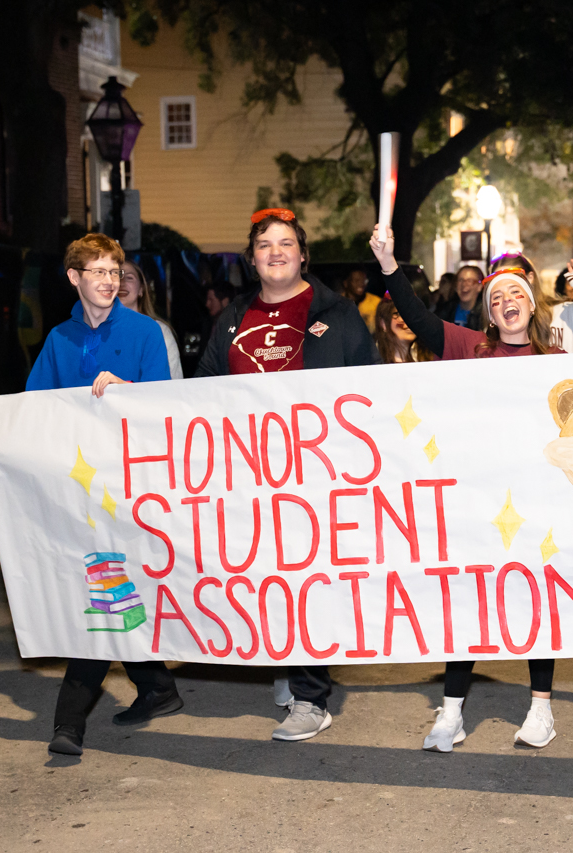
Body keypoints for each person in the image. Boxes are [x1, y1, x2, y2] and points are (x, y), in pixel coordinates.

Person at [370, 224, 573, 751]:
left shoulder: (557, 364)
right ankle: (451, 713)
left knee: (536, 598)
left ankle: (541, 709)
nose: (508, 300)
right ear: (490, 313)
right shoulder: (469, 348)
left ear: (530, 305)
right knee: (467, 601)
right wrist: (387, 263)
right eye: (498, 297)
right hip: (477, 502)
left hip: (537, 505)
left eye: (517, 292)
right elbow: (418, 316)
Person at [0, 233, 180, 758]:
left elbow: (170, 409)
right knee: (107, 585)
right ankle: (157, 687)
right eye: (99, 272)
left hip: (130, 492)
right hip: (80, 495)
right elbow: (34, 412)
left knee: (102, 590)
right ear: (74, 279)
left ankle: (68, 723)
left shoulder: (147, 333)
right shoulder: (59, 339)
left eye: (115, 271)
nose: (110, 281)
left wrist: (129, 391)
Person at [196, 208, 379, 742]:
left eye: (286, 243)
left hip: (315, 478)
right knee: (262, 576)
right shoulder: (231, 317)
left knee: (306, 580)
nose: (275, 251)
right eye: (264, 245)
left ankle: (310, 699)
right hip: (249, 473)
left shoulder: (337, 314)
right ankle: (287, 657)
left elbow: (368, 396)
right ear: (252, 259)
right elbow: (200, 391)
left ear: (302, 254)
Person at [489, 251, 573, 353]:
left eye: (512, 278)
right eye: (495, 282)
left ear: (530, 278)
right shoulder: (500, 324)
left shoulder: (567, 314)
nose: (504, 287)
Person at [118, 261, 184, 380]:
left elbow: (175, 381)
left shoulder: (159, 331)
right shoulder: (99, 332)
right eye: (117, 276)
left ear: (141, 290)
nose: (122, 282)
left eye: (129, 278)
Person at [373, 297, 435, 363]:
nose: (409, 323)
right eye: (400, 315)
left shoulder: (431, 357)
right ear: (383, 323)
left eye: (414, 315)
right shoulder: (372, 360)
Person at [435, 265, 485, 330]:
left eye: (469, 281)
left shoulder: (486, 316)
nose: (464, 284)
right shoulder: (445, 311)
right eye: (461, 280)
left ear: (479, 286)